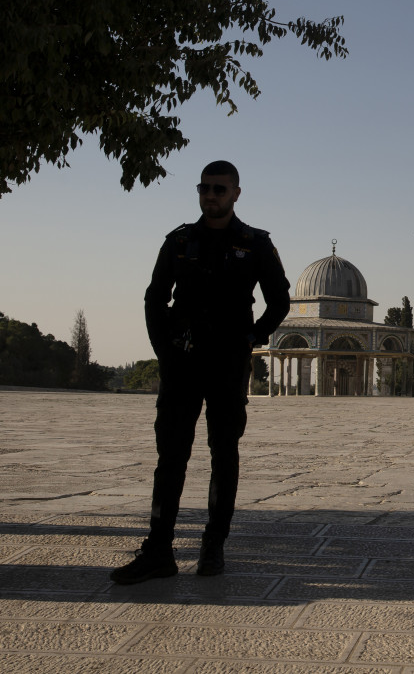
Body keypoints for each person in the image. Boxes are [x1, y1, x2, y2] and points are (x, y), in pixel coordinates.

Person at [111, 161, 291, 585]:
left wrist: (251, 338)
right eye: (205, 188)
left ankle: (213, 547)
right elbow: (155, 298)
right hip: (183, 363)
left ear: (235, 194)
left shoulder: (255, 244)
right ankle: (159, 551)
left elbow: (279, 301)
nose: (211, 195)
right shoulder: (179, 241)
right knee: (170, 456)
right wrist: (164, 351)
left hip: (227, 364)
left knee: (223, 454)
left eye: (219, 189)